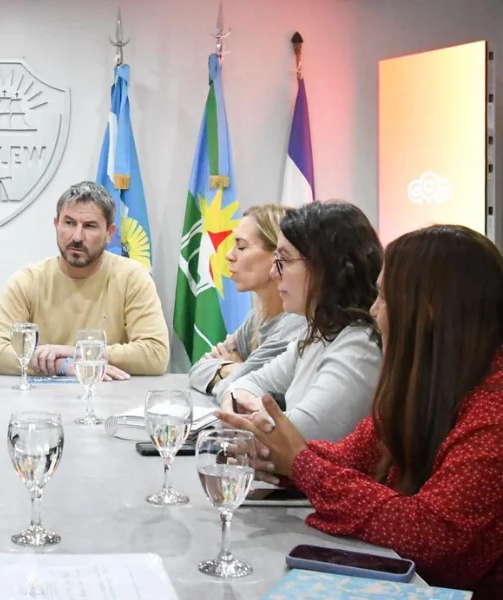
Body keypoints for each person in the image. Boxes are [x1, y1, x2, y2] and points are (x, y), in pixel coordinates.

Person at [219, 225, 503, 598]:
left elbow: (431, 533)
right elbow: (353, 457)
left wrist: (300, 462)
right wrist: (274, 454)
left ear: (427, 312)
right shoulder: (430, 385)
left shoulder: (493, 411)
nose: (374, 310)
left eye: (385, 299)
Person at [219, 201, 383, 442]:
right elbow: (239, 385)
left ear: (323, 267)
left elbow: (297, 441)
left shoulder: (360, 346)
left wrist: (247, 418)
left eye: (283, 261)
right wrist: (242, 409)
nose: (274, 273)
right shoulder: (316, 334)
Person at [0, 181, 169, 378]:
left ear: (109, 234)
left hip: (110, 401)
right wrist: (62, 365)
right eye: (69, 223)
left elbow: (155, 354)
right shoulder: (28, 280)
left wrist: (76, 352)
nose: (77, 237)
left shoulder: (132, 278)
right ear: (56, 225)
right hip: (40, 404)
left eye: (89, 226)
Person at [188, 204, 305, 399]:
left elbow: (231, 390)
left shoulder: (295, 323)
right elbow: (198, 369)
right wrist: (235, 368)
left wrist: (234, 372)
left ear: (279, 255)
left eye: (241, 247)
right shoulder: (259, 315)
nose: (229, 255)